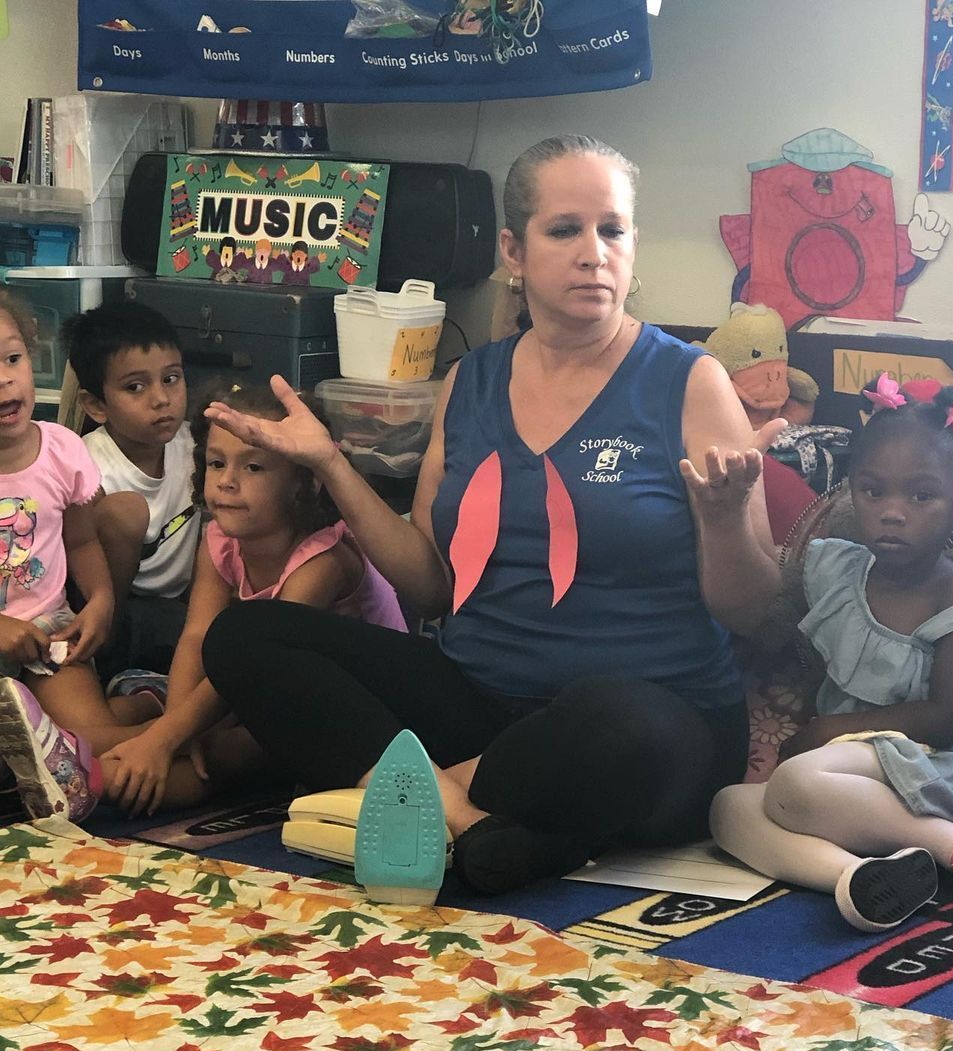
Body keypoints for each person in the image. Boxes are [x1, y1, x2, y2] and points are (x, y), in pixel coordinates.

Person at [200, 134, 785, 895]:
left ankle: (422, 797)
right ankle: (473, 822)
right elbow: (432, 589)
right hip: (483, 701)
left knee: (624, 723)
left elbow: (752, 612)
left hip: (643, 724)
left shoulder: (691, 381)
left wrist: (724, 516)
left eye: (613, 230)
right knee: (245, 634)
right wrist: (331, 465)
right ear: (514, 248)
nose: (593, 252)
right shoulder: (467, 382)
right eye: (565, 229)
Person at [710, 376, 953, 933]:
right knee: (728, 808)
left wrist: (830, 730)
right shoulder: (837, 571)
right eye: (873, 490)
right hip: (851, 779)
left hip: (937, 764)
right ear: (849, 491)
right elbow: (767, 605)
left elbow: (948, 718)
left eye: (921, 496)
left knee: (797, 784)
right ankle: (857, 880)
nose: (891, 511)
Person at [99, 381, 407, 817]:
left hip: (363, 716)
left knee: (220, 752)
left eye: (254, 468)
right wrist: (174, 732)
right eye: (217, 463)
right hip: (273, 693)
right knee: (166, 728)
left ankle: (84, 781)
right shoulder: (220, 539)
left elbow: (256, 662)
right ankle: (68, 759)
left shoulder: (324, 562)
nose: (226, 482)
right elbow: (196, 636)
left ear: (305, 484)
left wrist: (167, 739)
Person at [0, 292, 159, 823]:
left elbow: (83, 541)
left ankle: (175, 728)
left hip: (49, 633)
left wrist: (102, 599)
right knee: (41, 744)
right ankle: (148, 709)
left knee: (94, 738)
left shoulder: (63, 449)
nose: (5, 379)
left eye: (13, 359)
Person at [63, 301, 199, 683]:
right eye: (135, 387)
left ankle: (145, 699)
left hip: (181, 602)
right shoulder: (87, 464)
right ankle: (104, 661)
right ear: (96, 405)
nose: (160, 398)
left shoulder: (195, 445)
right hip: (111, 610)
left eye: (171, 378)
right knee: (127, 510)